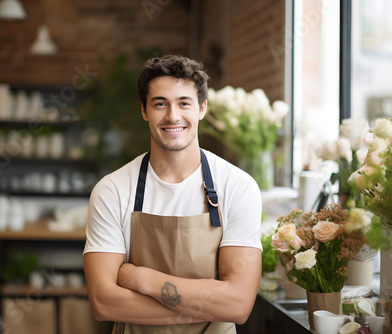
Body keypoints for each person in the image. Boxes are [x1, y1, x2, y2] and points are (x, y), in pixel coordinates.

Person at [83, 55, 262, 333]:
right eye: (160, 104)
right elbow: (103, 303)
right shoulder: (112, 190)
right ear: (144, 110)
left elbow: (238, 305)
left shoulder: (238, 187)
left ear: (202, 108)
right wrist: (204, 309)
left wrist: (143, 279)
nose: (173, 116)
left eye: (184, 103)